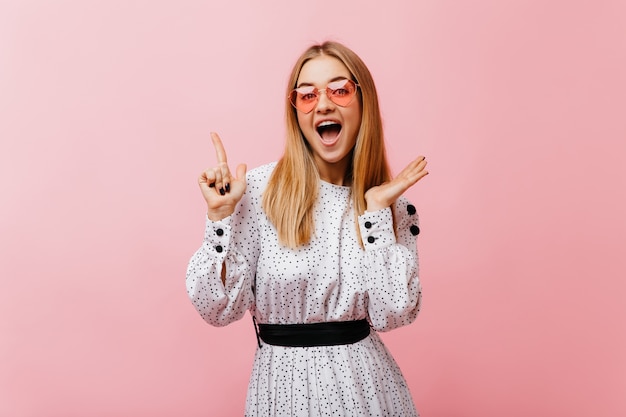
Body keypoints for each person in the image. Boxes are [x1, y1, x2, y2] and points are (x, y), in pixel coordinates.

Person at [186, 40, 428, 416]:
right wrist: (219, 220)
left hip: (368, 392)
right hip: (282, 395)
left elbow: (393, 313)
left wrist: (377, 211)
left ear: (364, 102)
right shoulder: (256, 192)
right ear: (296, 111)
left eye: (339, 90)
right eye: (307, 94)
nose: (324, 104)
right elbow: (216, 309)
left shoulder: (389, 205)